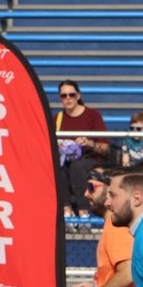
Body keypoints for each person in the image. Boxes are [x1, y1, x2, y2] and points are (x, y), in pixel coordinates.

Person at [55, 79, 109, 218]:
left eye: (71, 95)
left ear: (78, 96)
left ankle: (83, 211)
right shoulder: (57, 119)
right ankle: (66, 210)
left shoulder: (93, 115)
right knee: (57, 166)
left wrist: (89, 143)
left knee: (77, 167)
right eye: (64, 95)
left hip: (90, 160)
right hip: (65, 161)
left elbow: (104, 147)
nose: (68, 98)